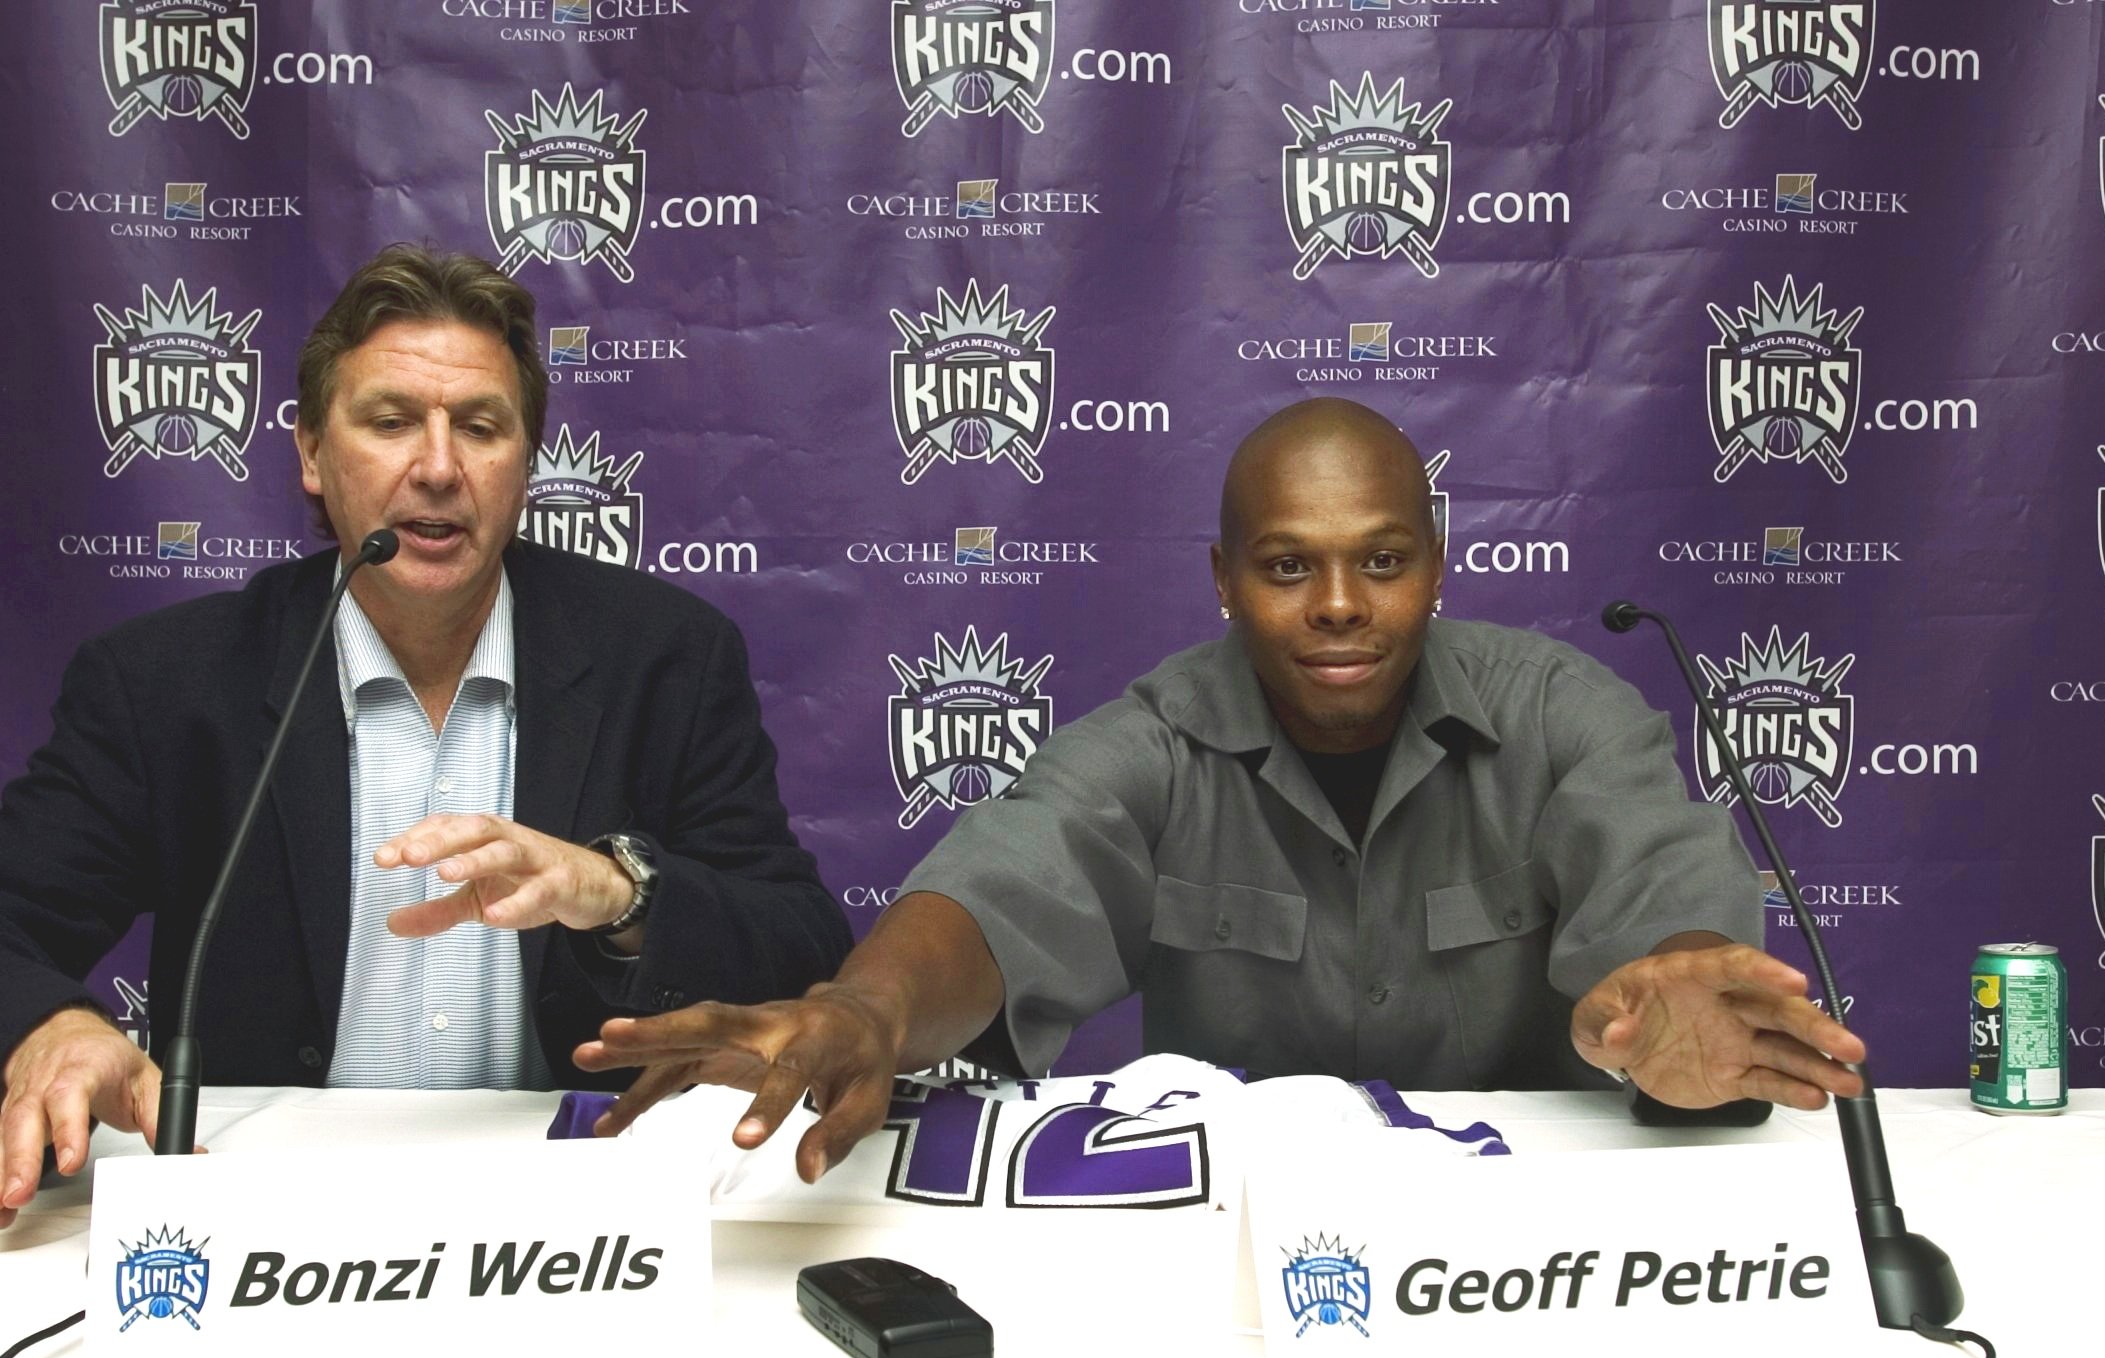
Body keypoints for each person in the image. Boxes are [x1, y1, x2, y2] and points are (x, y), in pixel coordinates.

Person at [578, 397, 1867, 1181]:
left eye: (1382, 559)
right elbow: (1006, 882)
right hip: (1242, 1254)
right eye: (1287, 566)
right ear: (1222, 579)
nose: (1343, 606)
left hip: (1523, 1246)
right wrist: (865, 1008)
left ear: (1436, 564)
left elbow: (1659, 887)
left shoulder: (1557, 710)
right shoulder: (1159, 738)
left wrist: (1679, 989)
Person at [0, 244, 850, 1225]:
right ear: (311, 453)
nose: (436, 467)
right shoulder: (172, 685)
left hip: (571, 1221)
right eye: (389, 423)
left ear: (524, 462)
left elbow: (801, 950)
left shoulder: (664, 660)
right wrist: (41, 1030)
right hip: (271, 1217)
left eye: (479, 427)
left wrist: (622, 893)